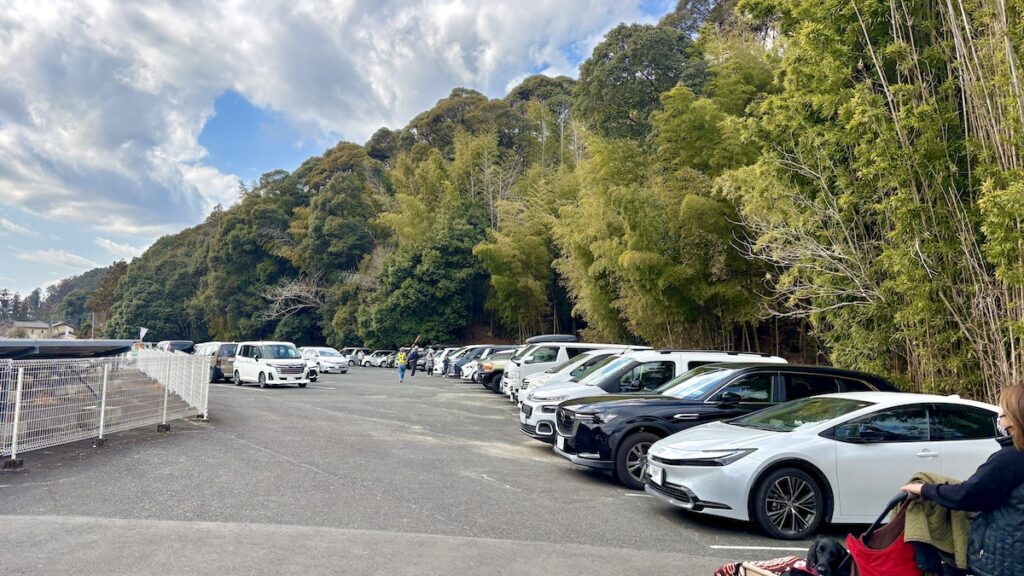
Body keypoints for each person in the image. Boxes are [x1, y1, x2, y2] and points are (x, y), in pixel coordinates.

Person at [901, 384, 1024, 576]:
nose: (999, 419)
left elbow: (968, 495)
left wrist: (924, 489)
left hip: (1007, 560)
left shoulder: (1011, 458)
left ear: (1015, 419)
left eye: (1001, 413)